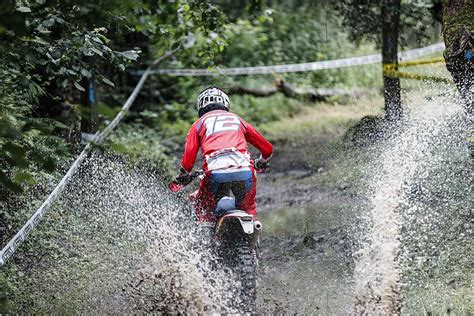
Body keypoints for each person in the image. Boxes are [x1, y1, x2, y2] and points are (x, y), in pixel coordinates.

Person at [174, 87, 273, 222]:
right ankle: (253, 235)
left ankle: (205, 236)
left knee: (205, 210)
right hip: (245, 171)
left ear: (201, 106)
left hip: (215, 173)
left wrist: (183, 175)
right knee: (249, 210)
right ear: (225, 103)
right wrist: (261, 162)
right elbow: (267, 149)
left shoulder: (198, 124)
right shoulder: (237, 119)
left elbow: (188, 161)